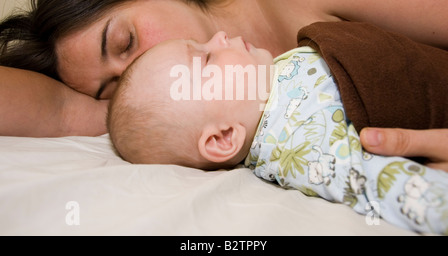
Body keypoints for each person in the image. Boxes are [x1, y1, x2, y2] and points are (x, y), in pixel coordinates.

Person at [1, 0, 448, 168]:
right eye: (111, 90)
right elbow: (54, 111)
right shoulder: (172, 123)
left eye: (126, 43)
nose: (138, 72)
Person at [107, 28, 448, 234]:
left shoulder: (268, 82)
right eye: (207, 58)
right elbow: (375, 184)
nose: (220, 36)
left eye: (202, 41)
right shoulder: (300, 146)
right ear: (224, 137)